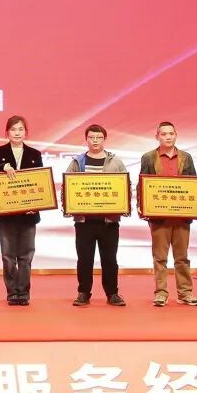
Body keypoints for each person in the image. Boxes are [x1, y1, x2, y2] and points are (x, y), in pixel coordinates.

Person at [64, 124, 127, 307]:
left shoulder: (115, 162)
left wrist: (122, 207)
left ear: (104, 139)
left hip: (109, 221)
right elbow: (67, 187)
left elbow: (125, 186)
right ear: (86, 139)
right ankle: (83, 292)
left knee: (110, 259)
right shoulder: (77, 162)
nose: (95, 141)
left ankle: (112, 293)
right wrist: (69, 207)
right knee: (84, 259)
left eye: (99, 137)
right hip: (84, 221)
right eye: (91, 137)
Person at [140, 121, 197, 307]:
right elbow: (142, 184)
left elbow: (194, 184)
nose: (168, 137)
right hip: (159, 217)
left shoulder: (186, 157)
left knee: (182, 258)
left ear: (176, 135)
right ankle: (161, 293)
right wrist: (142, 207)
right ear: (157, 136)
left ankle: (185, 293)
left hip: (182, 216)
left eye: (171, 133)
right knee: (160, 258)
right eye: (164, 134)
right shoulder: (149, 158)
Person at [0, 115, 43, 306]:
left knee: (26, 256)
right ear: (7, 132)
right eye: (13, 129)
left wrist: (36, 204)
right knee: (8, 256)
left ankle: (23, 293)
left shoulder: (35, 154)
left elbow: (40, 182)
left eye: (20, 129)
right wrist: (3, 166)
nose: (17, 133)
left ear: (26, 132)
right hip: (6, 215)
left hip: (28, 214)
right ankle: (12, 292)